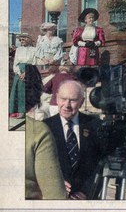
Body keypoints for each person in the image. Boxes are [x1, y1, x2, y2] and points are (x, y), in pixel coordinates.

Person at [44, 80, 103, 199]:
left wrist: (87, 191)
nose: (67, 104)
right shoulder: (43, 127)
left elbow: (100, 164)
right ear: (56, 98)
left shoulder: (96, 126)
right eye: (63, 99)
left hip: (85, 199)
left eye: (73, 100)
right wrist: (51, 183)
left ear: (81, 102)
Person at [25, 65, 67, 200]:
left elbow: (45, 87)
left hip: (54, 105)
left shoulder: (54, 78)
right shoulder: (69, 77)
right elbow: (56, 196)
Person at [9, 33, 36, 118]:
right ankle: (20, 112)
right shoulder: (19, 50)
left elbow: (35, 62)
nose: (21, 41)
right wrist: (19, 73)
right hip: (19, 72)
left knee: (29, 91)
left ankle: (29, 111)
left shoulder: (34, 50)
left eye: (23, 39)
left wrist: (26, 72)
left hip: (30, 70)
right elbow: (15, 63)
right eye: (20, 40)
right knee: (20, 91)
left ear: (28, 39)